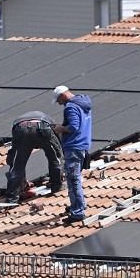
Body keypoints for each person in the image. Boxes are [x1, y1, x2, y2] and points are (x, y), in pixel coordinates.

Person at [52, 85, 93, 224]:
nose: (59, 103)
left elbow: (74, 127)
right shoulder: (83, 103)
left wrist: (60, 128)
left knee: (73, 179)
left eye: (59, 100)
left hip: (74, 146)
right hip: (82, 145)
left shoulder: (71, 107)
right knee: (75, 178)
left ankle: (77, 212)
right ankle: (78, 204)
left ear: (63, 95)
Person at [4, 111, 63, 204]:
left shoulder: (18, 122)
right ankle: (56, 187)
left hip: (20, 129)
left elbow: (13, 153)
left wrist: (11, 162)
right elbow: (58, 144)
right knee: (55, 159)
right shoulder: (49, 121)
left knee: (17, 166)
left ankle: (12, 198)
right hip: (42, 128)